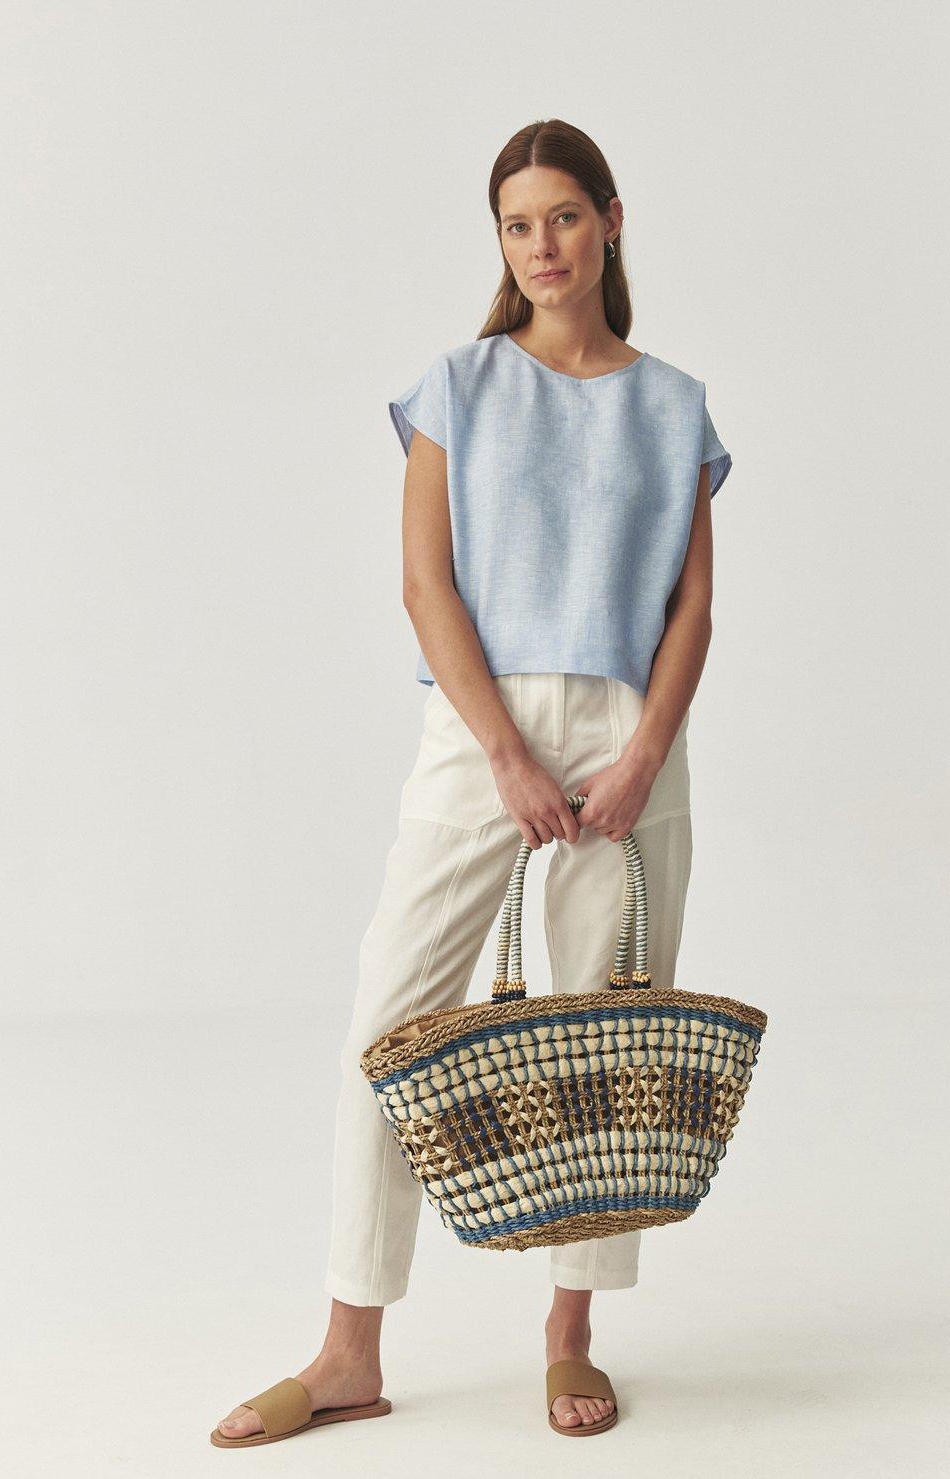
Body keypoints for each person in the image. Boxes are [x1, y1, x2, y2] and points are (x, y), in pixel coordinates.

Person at [211, 116, 732, 1448]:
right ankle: (348, 1351)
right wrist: (502, 751)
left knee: (603, 1045)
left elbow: (691, 609)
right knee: (389, 1024)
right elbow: (425, 584)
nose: (541, 246)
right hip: (479, 727)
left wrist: (641, 756)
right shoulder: (458, 384)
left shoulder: (674, 403)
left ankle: (571, 1334)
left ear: (611, 221)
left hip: (631, 736)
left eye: (564, 216)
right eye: (517, 225)